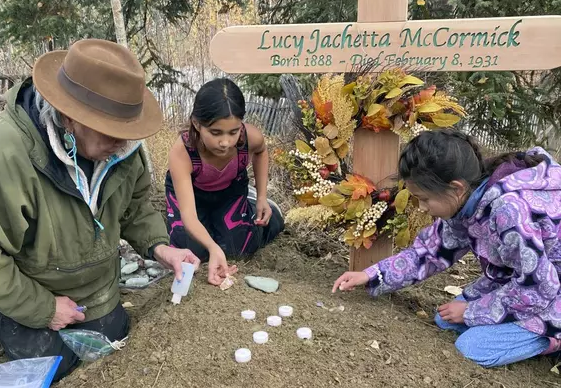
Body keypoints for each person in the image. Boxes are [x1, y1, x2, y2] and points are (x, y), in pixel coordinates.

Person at [0, 39, 200, 382]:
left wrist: (162, 248)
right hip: (31, 289)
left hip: (96, 288)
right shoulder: (2, 153)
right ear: (70, 116)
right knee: (57, 365)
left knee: (113, 344)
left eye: (128, 131)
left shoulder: (122, 150)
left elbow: (135, 208)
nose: (123, 144)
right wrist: (44, 308)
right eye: (113, 132)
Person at [332, 129, 561, 367]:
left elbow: (539, 287)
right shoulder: (469, 202)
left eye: (424, 198)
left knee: (472, 347)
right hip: (526, 282)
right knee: (446, 320)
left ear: (456, 188)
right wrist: (370, 275)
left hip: (547, 292)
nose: (421, 207)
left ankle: (552, 338)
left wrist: (471, 311)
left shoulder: (509, 211)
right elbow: (429, 253)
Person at [165, 78, 284, 285]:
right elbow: (190, 217)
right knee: (193, 252)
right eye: (215, 133)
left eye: (233, 131)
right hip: (192, 195)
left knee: (237, 249)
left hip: (230, 189)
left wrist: (263, 196)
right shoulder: (182, 152)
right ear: (196, 124)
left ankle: (254, 202)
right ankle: (209, 227)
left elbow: (262, 151)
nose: (225, 142)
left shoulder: (249, 138)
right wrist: (212, 248)